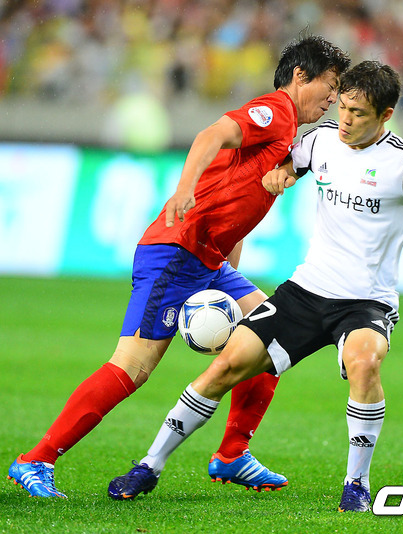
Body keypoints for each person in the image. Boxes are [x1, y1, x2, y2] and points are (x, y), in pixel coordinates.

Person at [113, 60, 403, 512]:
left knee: (365, 362)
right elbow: (289, 163)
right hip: (306, 290)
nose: (345, 120)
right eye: (343, 108)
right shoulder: (321, 140)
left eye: (358, 113)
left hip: (366, 301)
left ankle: (356, 482)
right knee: (226, 366)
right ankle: (150, 465)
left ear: (386, 115)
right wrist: (283, 172)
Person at [7, 35, 350, 499]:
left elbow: (237, 198)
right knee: (132, 367)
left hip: (208, 259)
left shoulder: (289, 134)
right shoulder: (276, 110)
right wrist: (184, 188)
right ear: (300, 76)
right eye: (330, 85)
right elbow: (211, 135)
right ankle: (36, 459)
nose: (333, 99)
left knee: (271, 336)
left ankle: (232, 454)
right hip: (177, 252)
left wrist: (228, 263)